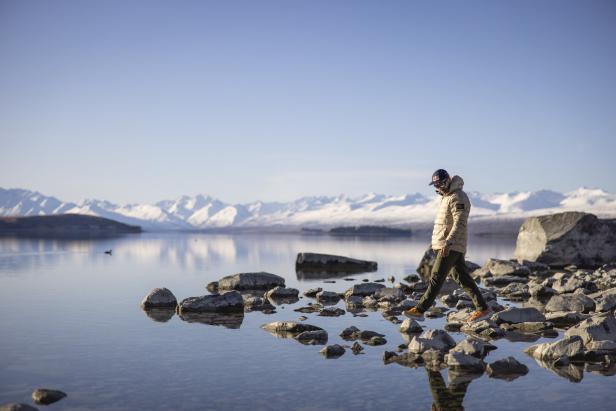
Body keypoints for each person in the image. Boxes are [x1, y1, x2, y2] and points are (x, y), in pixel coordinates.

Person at [405, 169, 491, 323]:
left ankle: (420, 309)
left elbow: (460, 223)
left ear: (447, 180)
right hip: (448, 245)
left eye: (439, 183)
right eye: (435, 184)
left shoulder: (458, 197)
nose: (437, 187)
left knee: (436, 277)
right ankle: (483, 309)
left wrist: (448, 242)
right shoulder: (447, 197)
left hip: (451, 245)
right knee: (462, 277)